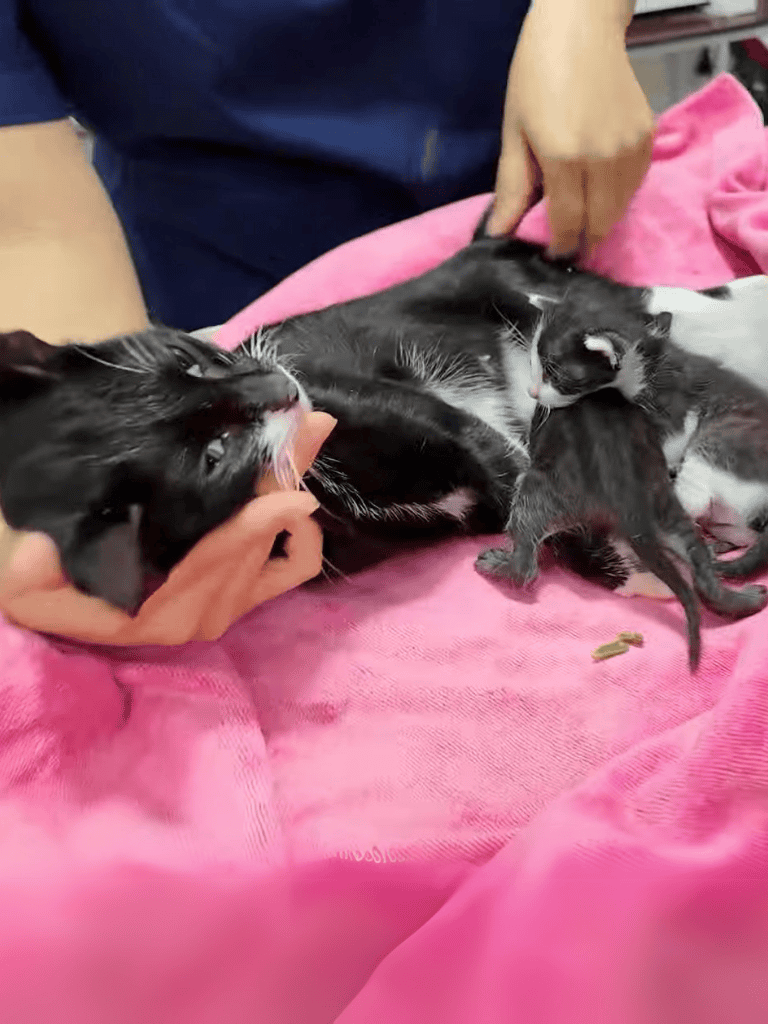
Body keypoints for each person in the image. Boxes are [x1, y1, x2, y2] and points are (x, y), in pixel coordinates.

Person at [0, 0, 654, 636]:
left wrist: (584, 12)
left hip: (540, 204)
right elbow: (28, 231)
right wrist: (74, 513)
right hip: (233, 275)